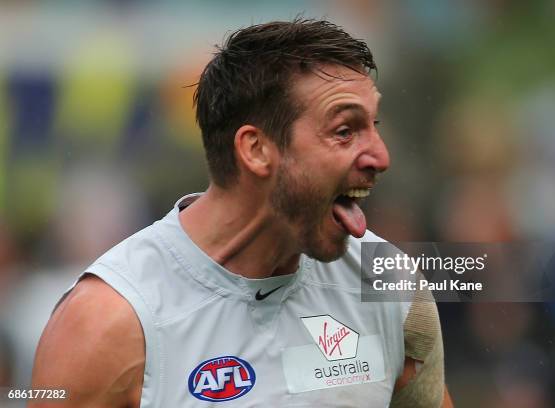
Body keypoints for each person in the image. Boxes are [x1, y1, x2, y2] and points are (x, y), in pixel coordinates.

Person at [30, 19, 452, 407]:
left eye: (374, 126)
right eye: (344, 131)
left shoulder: (390, 285)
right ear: (255, 149)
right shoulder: (109, 322)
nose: (380, 156)